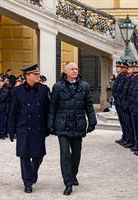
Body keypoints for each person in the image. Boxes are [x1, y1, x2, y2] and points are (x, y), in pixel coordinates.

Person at [48, 61, 97, 195]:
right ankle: (68, 183)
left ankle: (73, 174)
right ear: (66, 72)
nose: (75, 71)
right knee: (65, 154)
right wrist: (50, 124)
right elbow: (52, 107)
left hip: (78, 123)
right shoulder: (57, 87)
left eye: (76, 69)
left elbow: (89, 105)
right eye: (72, 69)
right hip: (62, 124)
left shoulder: (84, 86)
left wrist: (92, 121)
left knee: (76, 154)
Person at [8, 64, 50, 193]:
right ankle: (27, 182)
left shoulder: (44, 90)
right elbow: (13, 111)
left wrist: (49, 126)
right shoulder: (17, 91)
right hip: (23, 127)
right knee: (24, 156)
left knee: (38, 155)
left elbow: (47, 110)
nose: (38, 76)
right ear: (27, 76)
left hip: (38, 127)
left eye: (38, 74)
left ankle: (33, 172)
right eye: (35, 74)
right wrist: (11, 129)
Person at [0, 74, 10, 139]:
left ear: (3, 82)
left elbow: (8, 101)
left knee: (3, 122)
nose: (0, 83)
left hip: (3, 108)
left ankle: (3, 134)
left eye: (1, 82)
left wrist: (7, 110)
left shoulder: (6, 91)